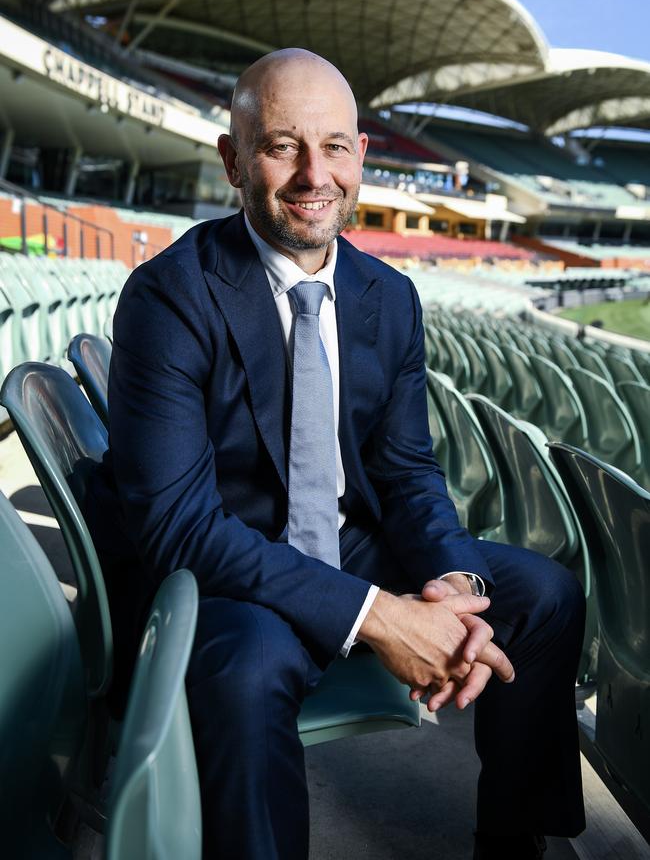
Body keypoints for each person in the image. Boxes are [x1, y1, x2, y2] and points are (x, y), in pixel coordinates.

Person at [87, 49, 586, 860]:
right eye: (283, 145)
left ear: (362, 155)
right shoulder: (170, 296)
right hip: (231, 570)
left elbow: (407, 471)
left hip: (351, 544)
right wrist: (380, 617)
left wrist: (453, 584)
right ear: (234, 160)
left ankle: (512, 839)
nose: (314, 174)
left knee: (543, 595)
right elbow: (178, 527)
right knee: (245, 672)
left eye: (336, 146)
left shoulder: (388, 297)